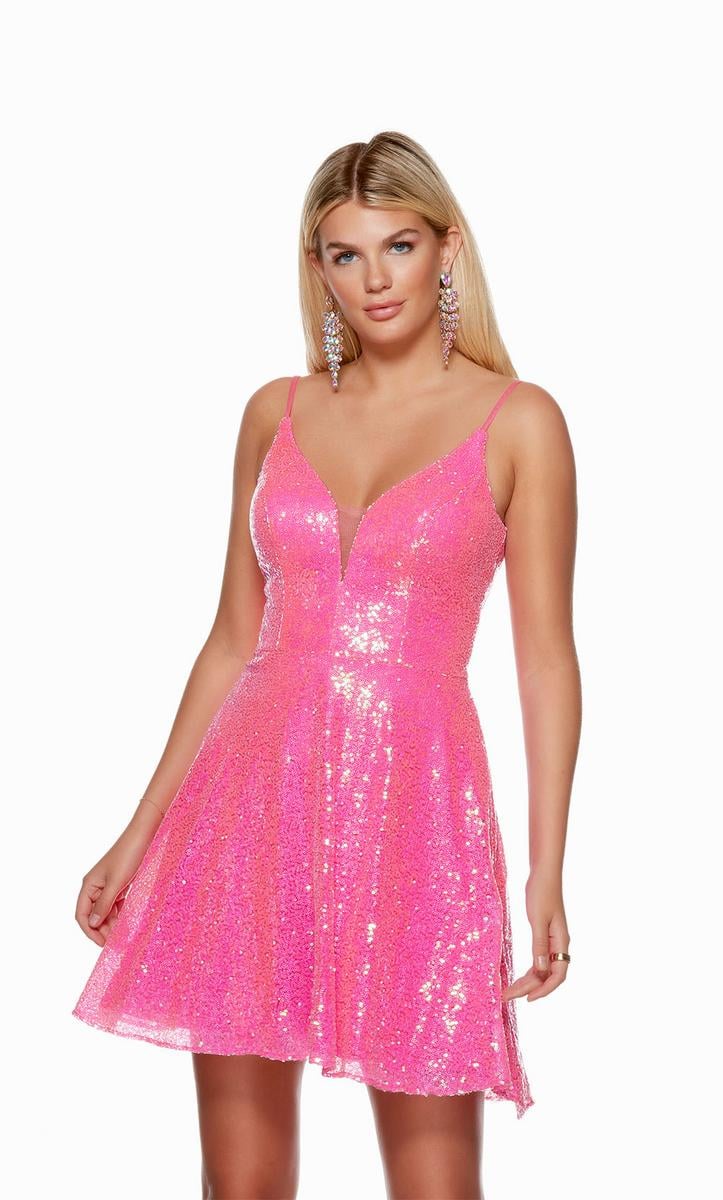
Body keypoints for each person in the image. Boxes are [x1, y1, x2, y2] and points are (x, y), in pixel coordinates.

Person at [73, 130, 580, 1200]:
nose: (374, 279)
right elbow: (231, 639)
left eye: (398, 245)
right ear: (318, 267)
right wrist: (136, 833)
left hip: (418, 814)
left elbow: (545, 661)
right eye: (346, 254)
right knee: (241, 1182)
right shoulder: (277, 412)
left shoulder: (519, 420)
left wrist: (546, 869)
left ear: (447, 248)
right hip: (250, 806)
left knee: (435, 1183)